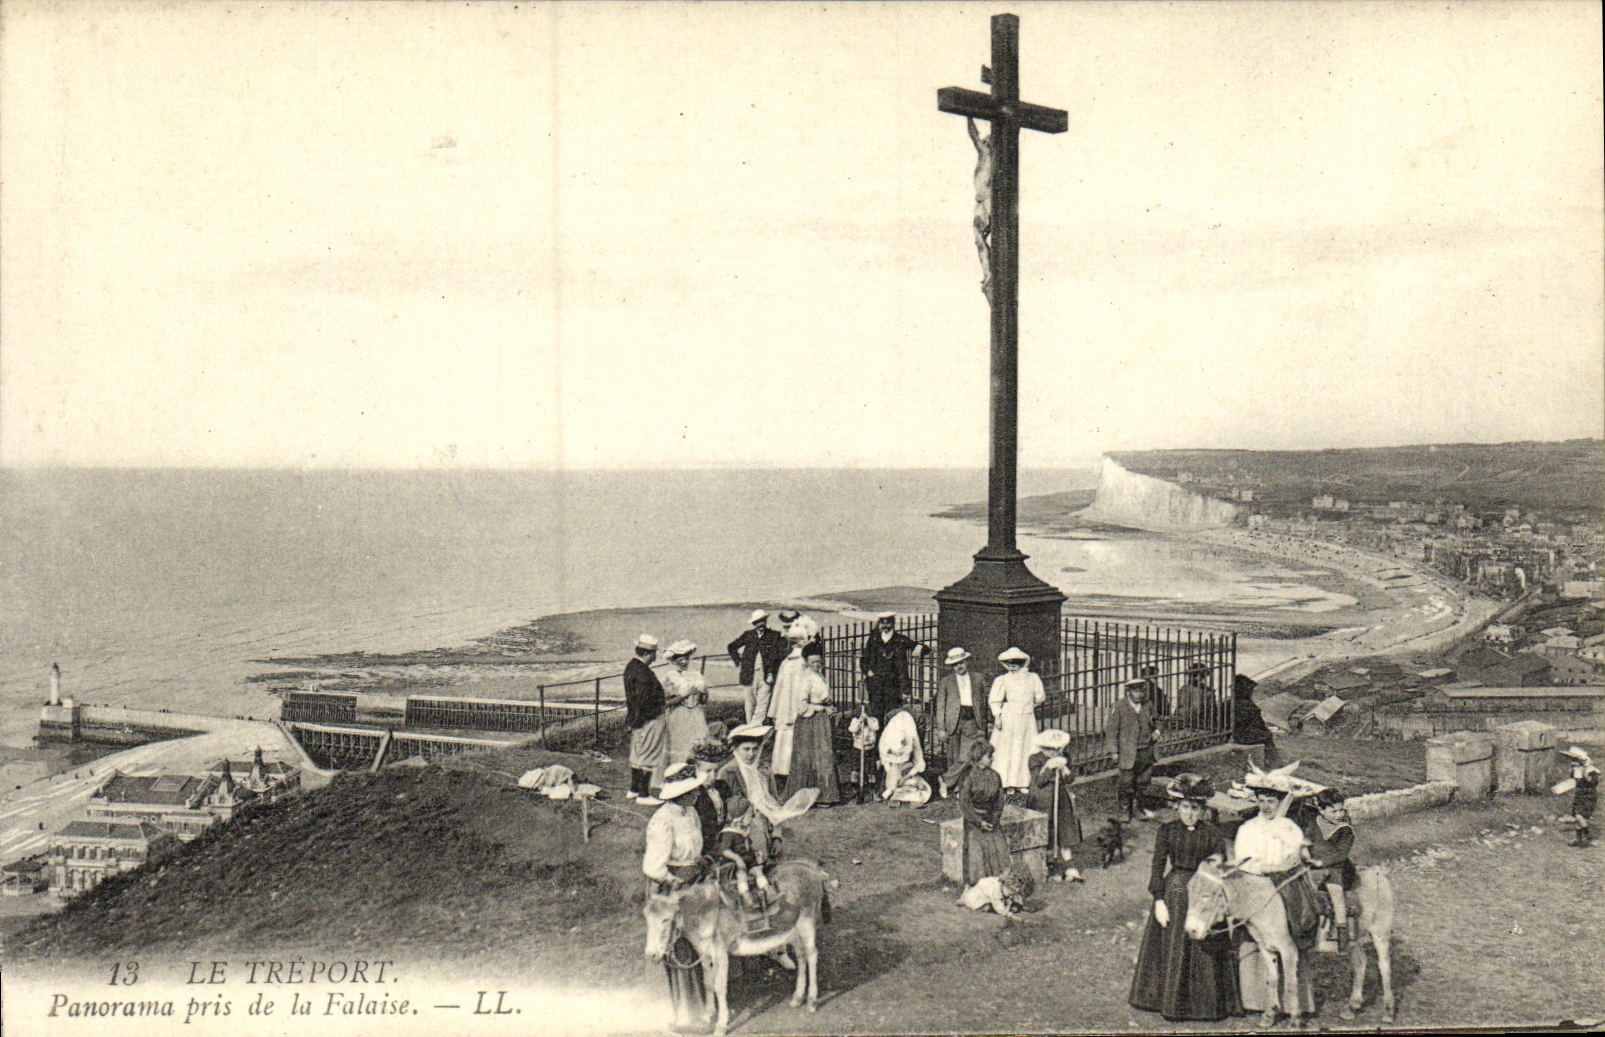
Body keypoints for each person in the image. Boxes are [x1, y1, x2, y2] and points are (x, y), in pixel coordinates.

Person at [1129, 774, 1242, 1022]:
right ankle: (1171, 1003)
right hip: (1175, 895)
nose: (1190, 814)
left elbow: (1218, 869)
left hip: (1204, 894)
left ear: (1203, 810)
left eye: (1195, 809)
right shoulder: (1166, 831)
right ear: (1177, 807)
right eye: (1185, 808)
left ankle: (1205, 1005)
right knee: (1174, 946)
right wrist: (1158, 899)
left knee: (1205, 947)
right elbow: (1157, 867)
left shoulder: (1213, 834)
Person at [1233, 771, 1320, 1013]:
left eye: (1271, 801)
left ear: (1279, 803)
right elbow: (1244, 861)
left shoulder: (1289, 827)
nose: (1266, 806)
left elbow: (1297, 854)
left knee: (1297, 917)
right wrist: (1269, 867)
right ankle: (1259, 1002)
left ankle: (1297, 1002)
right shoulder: (1247, 829)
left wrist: (1288, 863)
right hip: (1257, 880)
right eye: (1262, 801)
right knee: (1248, 929)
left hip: (1286, 880)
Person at [640, 769, 709, 1031]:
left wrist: (699, 862)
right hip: (670, 886)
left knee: (698, 939)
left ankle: (701, 1007)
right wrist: (673, 882)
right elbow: (654, 866)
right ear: (680, 794)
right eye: (692, 791)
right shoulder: (662, 821)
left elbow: (693, 847)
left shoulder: (690, 813)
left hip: (692, 881)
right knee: (679, 946)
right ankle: (682, 1014)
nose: (697, 794)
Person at [1302, 788, 1359, 951]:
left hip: (1336, 868)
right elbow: (1306, 841)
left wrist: (1322, 863)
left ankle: (1342, 933)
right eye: (1333, 811)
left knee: (1336, 892)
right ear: (1321, 810)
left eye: (1341, 810)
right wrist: (1305, 855)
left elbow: (1341, 854)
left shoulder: (1345, 830)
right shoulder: (1315, 823)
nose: (1338, 815)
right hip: (1312, 865)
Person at [767, 614, 821, 783]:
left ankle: (784, 771)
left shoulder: (787, 662)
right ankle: (796, 772)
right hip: (797, 706)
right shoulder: (801, 663)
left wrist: (776, 709)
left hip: (787, 706)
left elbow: (780, 689)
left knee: (787, 735)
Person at [784, 643, 841, 805]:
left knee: (823, 756)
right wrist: (822, 708)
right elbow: (802, 707)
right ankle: (805, 796)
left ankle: (825, 795)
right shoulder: (805, 679)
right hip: (809, 723)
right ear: (807, 663)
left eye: (819, 662)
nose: (817, 665)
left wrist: (829, 707)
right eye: (813, 662)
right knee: (809, 757)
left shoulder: (820, 676)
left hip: (821, 722)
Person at [1027, 728, 1083, 882]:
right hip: (1042, 799)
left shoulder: (1064, 758)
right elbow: (1040, 781)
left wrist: (1063, 768)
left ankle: (1069, 865)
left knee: (1065, 830)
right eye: (1052, 750)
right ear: (1044, 748)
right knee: (1048, 830)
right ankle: (1050, 864)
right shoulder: (1034, 759)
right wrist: (1050, 767)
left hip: (1060, 799)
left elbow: (1070, 779)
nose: (1056, 753)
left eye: (1059, 749)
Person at [988, 647, 1045, 793]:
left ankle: (1022, 782)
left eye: (1015, 662)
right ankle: (1007, 783)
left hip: (1026, 719)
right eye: (1009, 663)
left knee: (1024, 748)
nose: (1012, 665)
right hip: (1009, 718)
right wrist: (997, 717)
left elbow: (1040, 697)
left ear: (1022, 663)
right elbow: (994, 700)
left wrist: (1029, 706)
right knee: (1008, 749)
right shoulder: (1003, 680)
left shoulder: (1032, 678)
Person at [934, 647, 988, 797]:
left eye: (961, 662)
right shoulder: (946, 682)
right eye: (955, 664)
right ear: (952, 666)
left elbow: (986, 700)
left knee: (967, 756)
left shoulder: (978, 678)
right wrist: (940, 728)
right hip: (952, 722)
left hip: (971, 719)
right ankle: (957, 787)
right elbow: (940, 706)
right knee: (954, 756)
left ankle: (945, 780)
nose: (959, 666)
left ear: (966, 662)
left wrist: (984, 724)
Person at [859, 612, 930, 723]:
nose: (885, 626)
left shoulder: (900, 640)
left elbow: (924, 648)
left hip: (893, 687)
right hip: (876, 687)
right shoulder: (873, 640)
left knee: (893, 718)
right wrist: (868, 672)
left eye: (888, 623)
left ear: (893, 623)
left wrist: (918, 649)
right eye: (883, 623)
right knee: (876, 720)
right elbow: (864, 659)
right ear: (879, 624)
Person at [956, 741, 1009, 885]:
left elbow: (999, 801)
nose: (992, 758)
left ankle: (997, 886)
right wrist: (979, 822)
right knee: (976, 855)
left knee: (999, 852)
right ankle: (976, 888)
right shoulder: (967, 777)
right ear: (979, 757)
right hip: (974, 822)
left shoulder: (995, 776)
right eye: (989, 756)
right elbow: (965, 804)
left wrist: (994, 819)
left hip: (991, 820)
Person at [1106, 679, 1159, 821]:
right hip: (1127, 753)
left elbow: (1156, 722)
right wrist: (1113, 751)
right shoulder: (1119, 706)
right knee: (1126, 782)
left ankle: (1137, 807)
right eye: (1136, 691)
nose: (1139, 694)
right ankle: (1124, 809)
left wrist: (1157, 732)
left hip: (1145, 750)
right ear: (1128, 692)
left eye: (1141, 691)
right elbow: (1111, 730)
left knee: (1143, 781)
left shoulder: (1148, 705)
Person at [625, 634, 668, 804]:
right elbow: (643, 700)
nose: (656, 657)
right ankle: (643, 794)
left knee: (637, 754)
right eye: (654, 653)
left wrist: (635, 721)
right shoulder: (643, 672)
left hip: (638, 719)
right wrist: (650, 715)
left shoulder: (631, 666)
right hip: (649, 719)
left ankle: (634, 789)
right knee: (648, 755)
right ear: (648, 654)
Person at [728, 610, 787, 725]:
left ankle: (756, 727)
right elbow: (731, 647)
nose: (761, 624)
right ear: (754, 623)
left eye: (763, 621)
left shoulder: (774, 635)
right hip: (749, 674)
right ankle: (751, 727)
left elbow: (779, 655)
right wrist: (738, 662)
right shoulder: (748, 635)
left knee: (762, 703)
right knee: (750, 704)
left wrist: (772, 673)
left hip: (766, 675)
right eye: (758, 622)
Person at [662, 640, 710, 768]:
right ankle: (678, 775)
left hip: (696, 714)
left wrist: (704, 693)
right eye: (681, 659)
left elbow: (704, 700)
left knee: (698, 744)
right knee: (680, 746)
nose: (684, 662)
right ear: (673, 660)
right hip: (678, 715)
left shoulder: (695, 675)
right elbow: (665, 703)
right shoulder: (670, 676)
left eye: (686, 659)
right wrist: (684, 695)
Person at [878, 701, 928, 803]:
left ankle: (914, 787)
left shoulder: (912, 737)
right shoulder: (884, 742)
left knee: (913, 775)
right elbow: (885, 761)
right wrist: (893, 776)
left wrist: (909, 775)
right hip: (894, 718)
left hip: (912, 719)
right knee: (892, 777)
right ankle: (890, 789)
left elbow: (919, 761)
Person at [688, 738, 732, 850]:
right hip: (701, 841)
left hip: (723, 837)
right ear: (695, 769)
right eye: (707, 771)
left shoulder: (722, 786)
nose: (712, 776)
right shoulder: (691, 793)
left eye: (715, 771)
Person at [1553, 746, 1599, 849]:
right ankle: (1579, 839)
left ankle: (1587, 836)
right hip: (1579, 795)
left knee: (1580, 816)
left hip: (1588, 795)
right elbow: (1573, 781)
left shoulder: (1590, 770)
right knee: (1578, 817)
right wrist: (1560, 788)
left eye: (1574, 759)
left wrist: (1585, 775)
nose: (1572, 761)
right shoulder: (1576, 769)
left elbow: (1593, 782)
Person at [1231, 674, 1279, 765]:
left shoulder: (1232, 702)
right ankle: (1273, 762)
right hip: (1244, 735)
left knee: (1265, 735)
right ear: (1244, 691)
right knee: (1266, 736)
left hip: (1238, 733)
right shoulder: (1247, 704)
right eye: (1250, 690)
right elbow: (1258, 723)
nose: (1251, 692)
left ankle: (1272, 761)